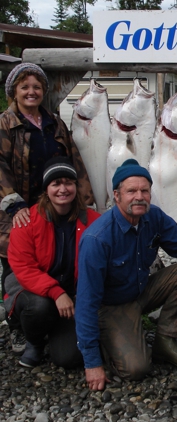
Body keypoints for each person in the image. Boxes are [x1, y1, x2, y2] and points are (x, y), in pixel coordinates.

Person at [76, 159, 177, 391]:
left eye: (145, 190)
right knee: (136, 369)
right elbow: (86, 304)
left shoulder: (153, 216)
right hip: (111, 306)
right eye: (131, 191)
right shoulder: (97, 239)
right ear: (116, 196)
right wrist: (91, 363)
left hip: (141, 291)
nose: (139, 196)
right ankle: (109, 341)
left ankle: (166, 341)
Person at [0, 62, 94, 354]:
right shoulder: (4, 122)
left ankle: (59, 313)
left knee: (60, 255)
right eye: (25, 87)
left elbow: (73, 158)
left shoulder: (54, 122)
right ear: (14, 92)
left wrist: (84, 195)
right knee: (16, 263)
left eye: (37, 87)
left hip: (57, 201)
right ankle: (22, 324)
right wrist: (12, 202)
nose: (32, 92)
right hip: (16, 206)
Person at [3, 157, 99, 368]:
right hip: (33, 292)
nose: (63, 189)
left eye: (68, 182)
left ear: (76, 186)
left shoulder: (93, 220)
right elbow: (23, 267)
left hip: (71, 297)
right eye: (56, 184)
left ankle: (58, 330)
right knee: (37, 307)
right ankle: (34, 342)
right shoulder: (27, 220)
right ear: (47, 189)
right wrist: (57, 293)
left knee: (69, 359)